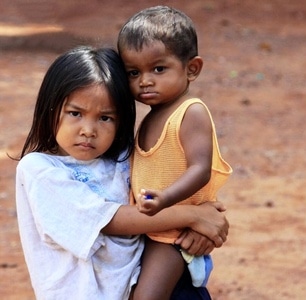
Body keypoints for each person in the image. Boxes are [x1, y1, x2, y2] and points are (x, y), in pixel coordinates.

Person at [15, 46, 229, 300]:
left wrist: (199, 228)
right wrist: (193, 217)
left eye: (105, 118)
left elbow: (172, 195)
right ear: (49, 109)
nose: (88, 130)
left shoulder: (125, 157)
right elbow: (109, 220)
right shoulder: (40, 170)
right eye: (75, 113)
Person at [117, 6, 233, 300]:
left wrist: (166, 198)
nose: (145, 80)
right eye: (133, 72)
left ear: (191, 68)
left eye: (158, 69)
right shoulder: (150, 116)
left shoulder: (190, 112)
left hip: (171, 233)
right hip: (154, 224)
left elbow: (200, 168)